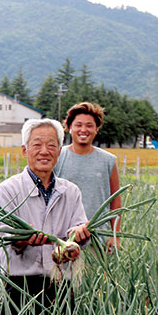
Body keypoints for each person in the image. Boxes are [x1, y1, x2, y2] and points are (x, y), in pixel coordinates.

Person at [0, 119, 91, 315]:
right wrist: (20, 240)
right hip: (19, 285)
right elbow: (0, 236)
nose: (44, 151)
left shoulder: (71, 191)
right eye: (37, 145)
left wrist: (80, 234)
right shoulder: (8, 189)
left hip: (61, 283)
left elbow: (79, 229)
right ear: (25, 150)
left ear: (59, 151)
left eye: (51, 145)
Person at [54, 102, 121, 252]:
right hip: (63, 239)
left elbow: (115, 200)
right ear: (69, 127)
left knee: (96, 275)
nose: (83, 130)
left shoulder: (108, 160)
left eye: (89, 125)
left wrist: (115, 235)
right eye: (78, 125)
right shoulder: (57, 157)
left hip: (98, 239)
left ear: (96, 129)